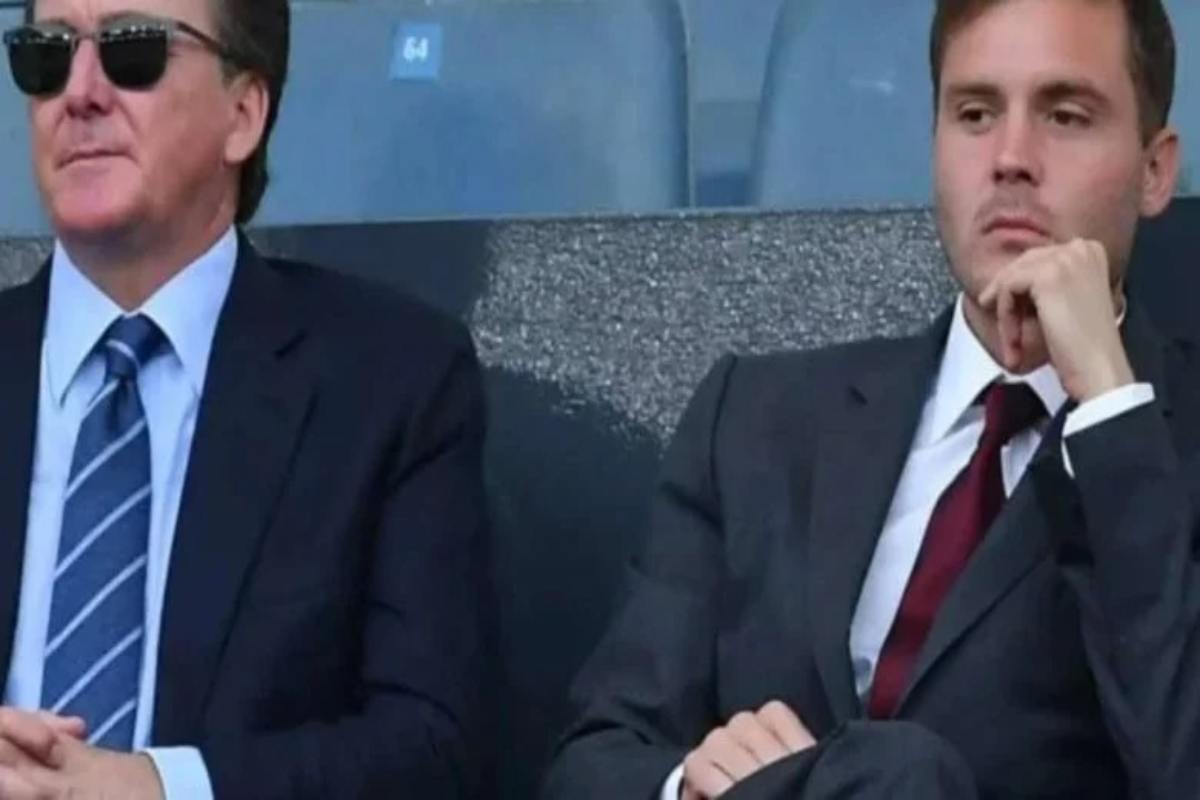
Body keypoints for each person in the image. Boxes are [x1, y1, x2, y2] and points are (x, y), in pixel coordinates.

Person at [543, 0, 1200, 797]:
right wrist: (693, 786)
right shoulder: (754, 420)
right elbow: (595, 761)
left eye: (1065, 115)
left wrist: (1108, 407)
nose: (1010, 158)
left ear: (1155, 170)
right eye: (974, 114)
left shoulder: (1166, 441)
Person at [0, 0, 491, 797]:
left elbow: (430, 744)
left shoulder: (391, 383)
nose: (79, 92)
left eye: (132, 49)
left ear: (244, 114)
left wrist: (165, 788)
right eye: (46, 55)